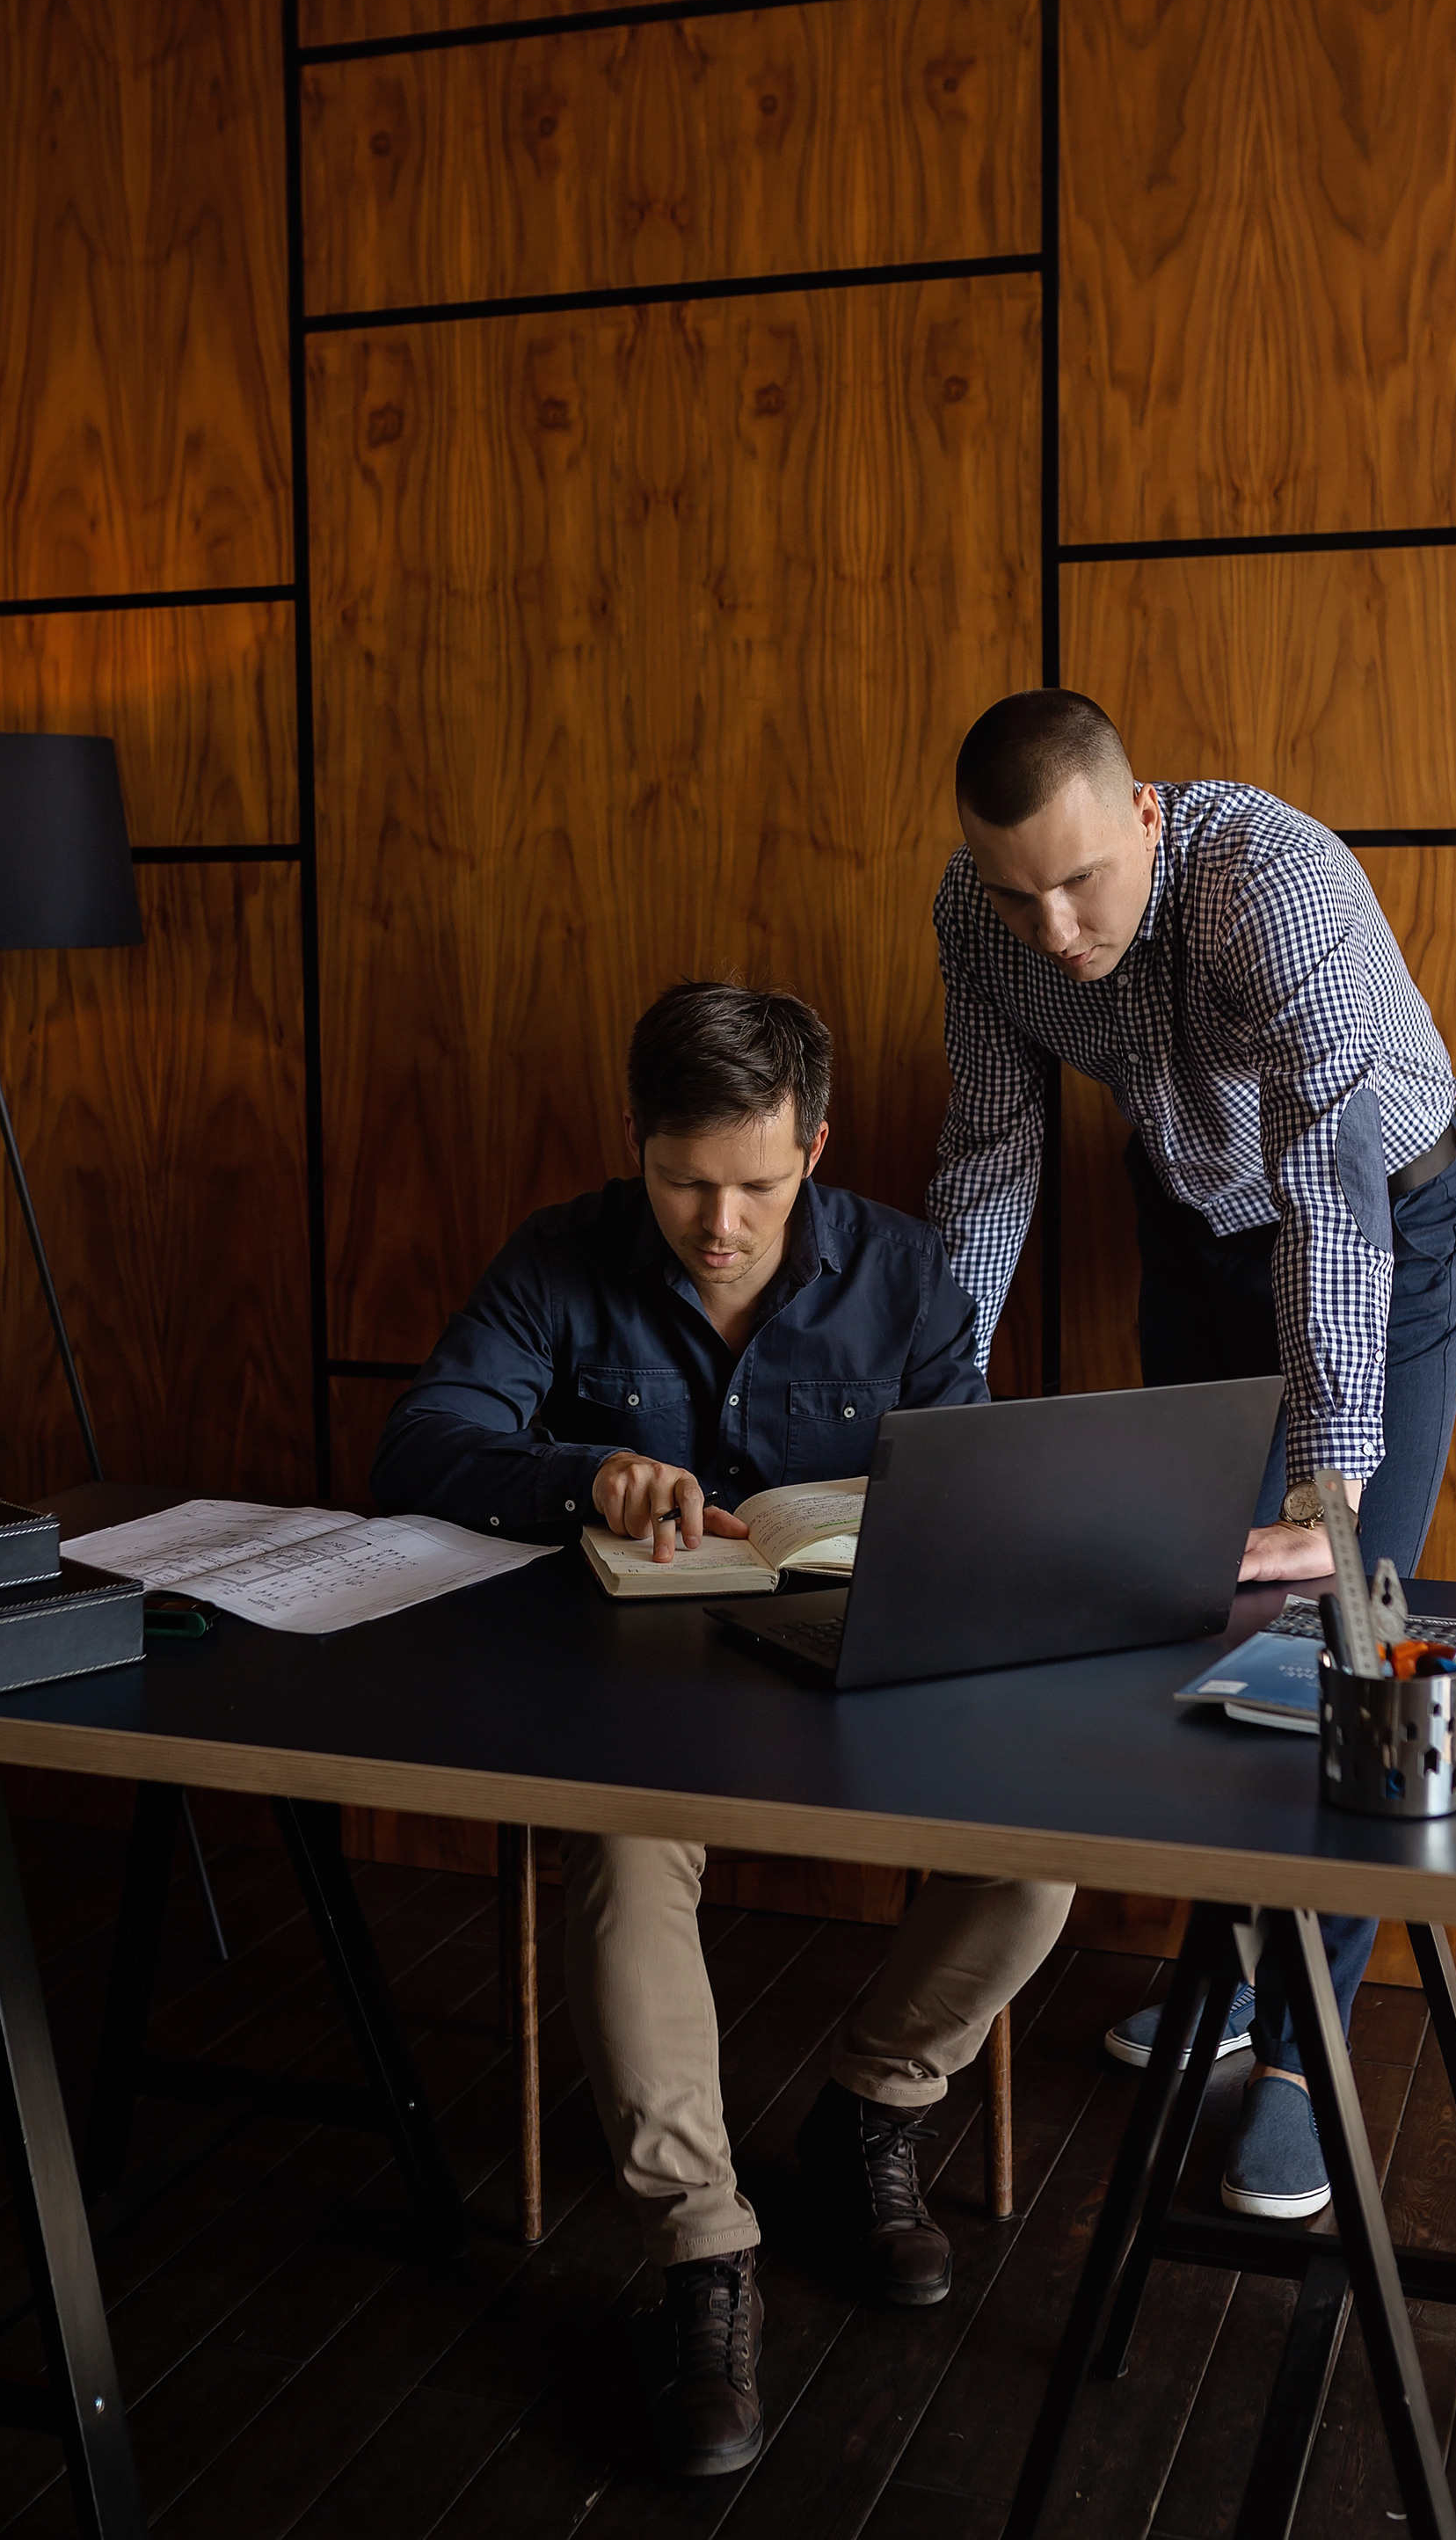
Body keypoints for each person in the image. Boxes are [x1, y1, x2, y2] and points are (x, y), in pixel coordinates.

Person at [375, 980, 1073, 2474]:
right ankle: (705, 2253)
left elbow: (973, 1478)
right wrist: (585, 1474)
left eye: (757, 1183)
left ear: (815, 1145)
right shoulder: (558, 1258)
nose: (719, 1222)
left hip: (856, 1670)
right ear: (638, 1146)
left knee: (1041, 1855)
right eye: (687, 1181)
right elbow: (422, 1440)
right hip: (625, 1692)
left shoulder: (910, 1270)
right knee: (625, 1864)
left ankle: (873, 2110)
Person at [927, 689, 1456, 2223]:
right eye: (1010, 888)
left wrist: (1332, 1474)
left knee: (1348, 1634)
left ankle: (1308, 2051)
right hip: (1187, 1234)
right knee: (1203, 1618)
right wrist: (935, 1418)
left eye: (1080, 881)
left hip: (1384, 1221)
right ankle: (1232, 1977)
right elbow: (987, 1158)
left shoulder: (1270, 880)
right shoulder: (981, 925)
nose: (1050, 927)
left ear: (1148, 816)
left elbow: (1328, 1180)